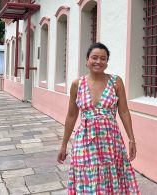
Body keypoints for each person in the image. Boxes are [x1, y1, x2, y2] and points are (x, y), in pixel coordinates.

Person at [57, 42, 140, 194]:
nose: (98, 62)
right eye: (94, 57)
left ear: (107, 62)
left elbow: (124, 112)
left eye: (103, 58)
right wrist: (64, 145)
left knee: (110, 178)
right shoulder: (77, 84)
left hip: (110, 141)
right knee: (87, 178)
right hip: (85, 140)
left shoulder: (116, 82)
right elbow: (71, 115)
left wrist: (131, 139)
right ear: (87, 60)